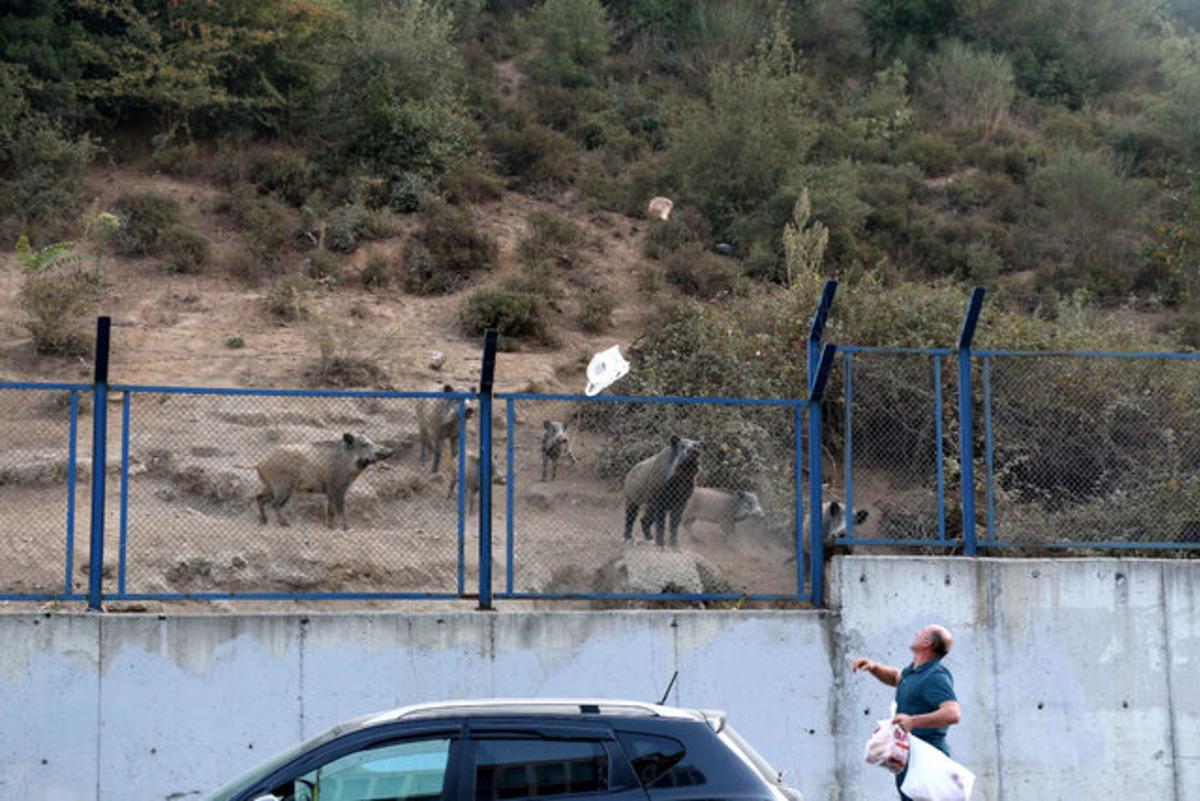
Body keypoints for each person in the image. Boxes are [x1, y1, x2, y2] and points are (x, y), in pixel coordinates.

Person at [853, 625, 961, 800]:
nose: (916, 633)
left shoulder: (935, 675)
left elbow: (952, 713)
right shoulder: (914, 671)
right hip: (910, 757)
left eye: (922, 632)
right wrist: (874, 668)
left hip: (928, 758)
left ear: (927, 642)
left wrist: (913, 721)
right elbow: (897, 678)